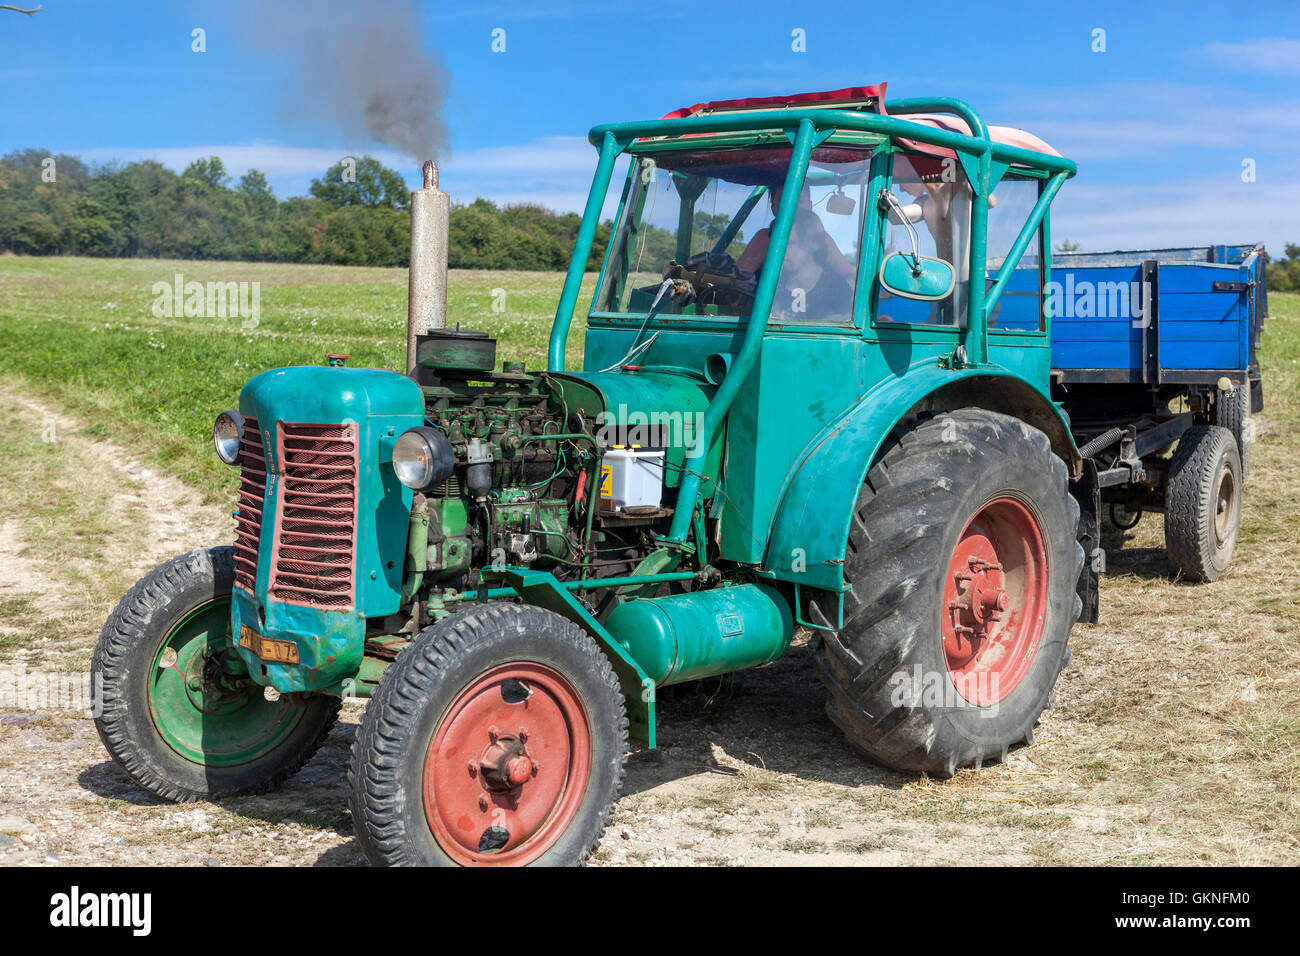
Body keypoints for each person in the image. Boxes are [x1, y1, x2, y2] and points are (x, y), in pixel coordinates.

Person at [737, 184, 856, 321]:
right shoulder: (764, 239)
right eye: (783, 201)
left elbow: (849, 277)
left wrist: (846, 315)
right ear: (774, 209)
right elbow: (737, 283)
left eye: (799, 201)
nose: (791, 207)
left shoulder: (822, 241)